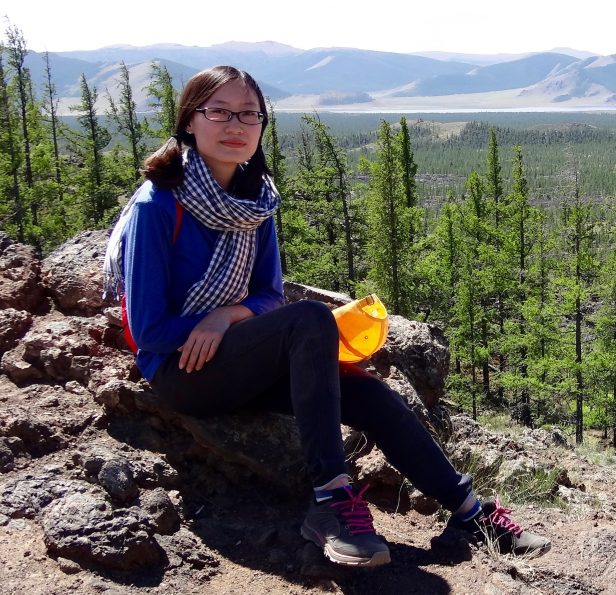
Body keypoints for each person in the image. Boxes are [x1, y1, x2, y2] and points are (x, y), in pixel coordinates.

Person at [102, 65, 550, 568]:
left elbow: (269, 295)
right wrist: (206, 325)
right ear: (189, 122)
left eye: (249, 114)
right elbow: (148, 330)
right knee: (311, 318)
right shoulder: (157, 205)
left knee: (372, 396)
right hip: (182, 373)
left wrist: (226, 315)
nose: (236, 125)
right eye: (219, 112)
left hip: (235, 357)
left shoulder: (253, 205)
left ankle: (470, 512)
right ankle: (331, 505)